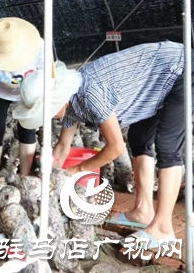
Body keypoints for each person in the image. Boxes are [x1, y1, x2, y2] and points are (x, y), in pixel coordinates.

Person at [12, 41, 189, 247]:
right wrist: (49, 180)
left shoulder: (89, 94)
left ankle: (163, 228)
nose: (48, 116)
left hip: (178, 68)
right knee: (139, 139)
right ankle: (143, 211)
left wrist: (78, 169)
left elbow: (116, 147)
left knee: (167, 146)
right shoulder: (70, 102)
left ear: (56, 98)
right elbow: (62, 147)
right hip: (154, 82)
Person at [0, 17, 44, 176]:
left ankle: (25, 176)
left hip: (28, 90)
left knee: (27, 128)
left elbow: (47, 78)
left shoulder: (38, 47)